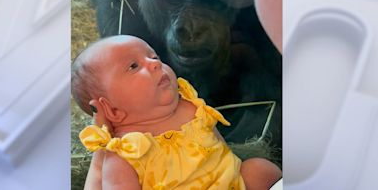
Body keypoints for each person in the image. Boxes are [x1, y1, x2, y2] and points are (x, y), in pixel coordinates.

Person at [72, 35, 281, 189]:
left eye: (154, 56)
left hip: (232, 184)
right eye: (133, 66)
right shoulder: (124, 154)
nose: (154, 64)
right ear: (111, 110)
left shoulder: (191, 107)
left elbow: (223, 151)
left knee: (259, 169)